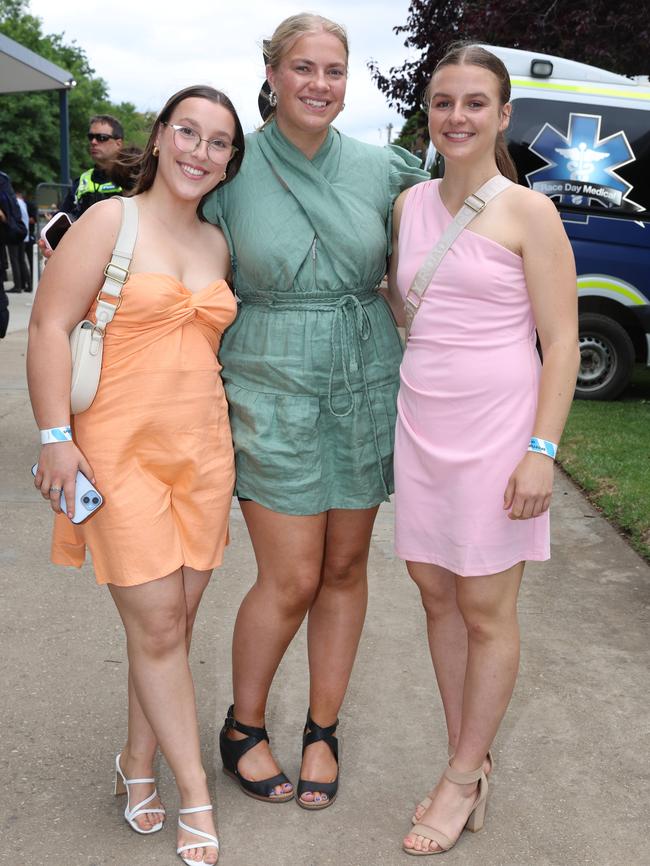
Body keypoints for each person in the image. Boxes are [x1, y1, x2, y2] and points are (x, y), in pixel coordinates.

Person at [202, 13, 428, 809]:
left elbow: (453, 232)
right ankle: (244, 725)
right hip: (268, 378)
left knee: (343, 567)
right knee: (291, 575)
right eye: (303, 68)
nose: (319, 85)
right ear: (270, 73)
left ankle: (322, 728)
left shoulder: (380, 169)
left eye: (334, 70)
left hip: (364, 371)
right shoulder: (230, 168)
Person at [28, 85, 244, 865]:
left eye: (218, 142)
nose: (200, 151)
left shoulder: (218, 245)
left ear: (228, 164)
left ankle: (137, 763)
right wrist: (57, 436)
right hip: (118, 453)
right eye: (188, 131)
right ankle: (195, 794)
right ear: (158, 138)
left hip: (203, 455)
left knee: (169, 629)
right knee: (157, 626)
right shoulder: (109, 220)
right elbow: (51, 323)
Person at [387, 44, 580, 855]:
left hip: (500, 434)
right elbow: (407, 310)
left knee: (485, 608)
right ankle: (473, 751)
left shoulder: (528, 212)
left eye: (474, 103)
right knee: (435, 594)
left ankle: (460, 778)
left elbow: (563, 342)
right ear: (427, 114)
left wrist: (542, 450)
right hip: (422, 424)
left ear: (504, 116)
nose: (456, 117)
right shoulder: (407, 204)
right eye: (442, 102)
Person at [60, 115, 124, 219]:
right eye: (91, 137)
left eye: (102, 138)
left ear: (118, 143)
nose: (93, 142)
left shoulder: (133, 178)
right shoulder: (81, 181)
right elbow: (60, 218)